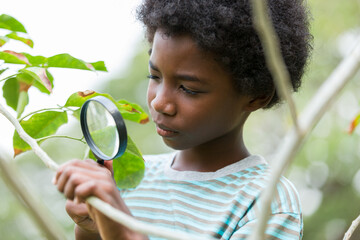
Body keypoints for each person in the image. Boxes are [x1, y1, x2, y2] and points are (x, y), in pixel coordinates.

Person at [53, 0, 312, 239]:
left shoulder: (267, 202)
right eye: (154, 76)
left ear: (256, 96)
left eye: (188, 89)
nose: (159, 102)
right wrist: (90, 225)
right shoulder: (130, 179)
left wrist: (121, 228)